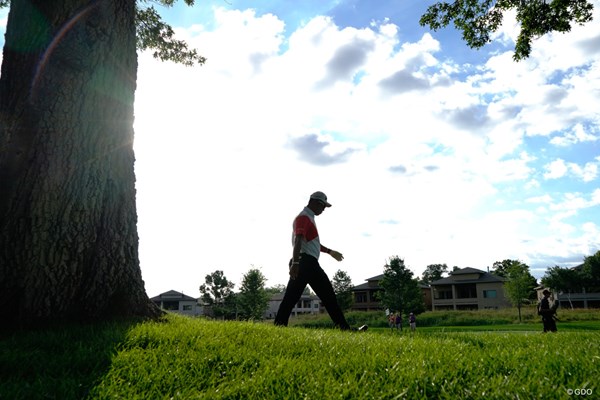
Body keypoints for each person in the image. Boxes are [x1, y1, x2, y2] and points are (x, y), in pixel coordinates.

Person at [274, 191, 363, 331]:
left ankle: (278, 327)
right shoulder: (304, 217)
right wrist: (296, 263)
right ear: (315, 202)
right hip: (306, 263)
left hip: (305, 262)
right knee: (328, 296)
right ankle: (344, 328)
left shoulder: (309, 217)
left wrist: (330, 252)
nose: (323, 210)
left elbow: (312, 244)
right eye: (323, 206)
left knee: (291, 298)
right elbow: (298, 240)